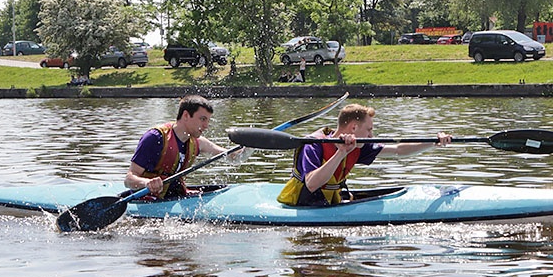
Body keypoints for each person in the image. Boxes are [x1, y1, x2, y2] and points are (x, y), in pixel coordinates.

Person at [277, 103, 452, 206]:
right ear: (353, 127)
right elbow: (312, 184)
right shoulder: (315, 145)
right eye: (369, 130)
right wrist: (340, 154)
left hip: (327, 203)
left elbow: (399, 150)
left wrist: (433, 142)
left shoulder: (359, 146)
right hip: (300, 204)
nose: (371, 136)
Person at [125, 95, 247, 198]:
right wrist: (147, 183)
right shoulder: (155, 138)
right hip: (147, 201)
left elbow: (234, 158)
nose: (206, 126)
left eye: (208, 120)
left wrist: (250, 147)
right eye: (202, 119)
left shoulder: (197, 142)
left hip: (174, 196)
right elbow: (129, 179)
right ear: (186, 115)